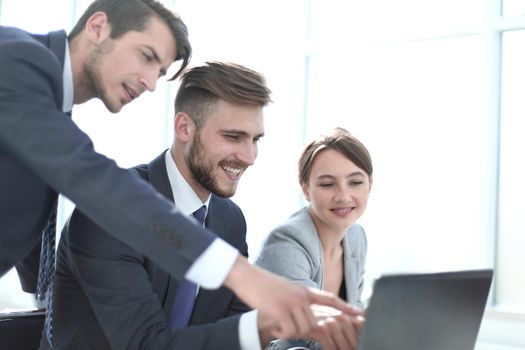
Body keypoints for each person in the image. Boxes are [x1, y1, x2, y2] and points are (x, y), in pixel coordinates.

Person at [0, 0, 355, 342]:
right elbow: (94, 181)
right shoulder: (18, 59)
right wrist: (242, 274)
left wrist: (40, 291)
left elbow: (26, 188)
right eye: (147, 56)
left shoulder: (46, 105)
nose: (152, 83)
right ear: (97, 27)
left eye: (161, 71)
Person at [46, 62, 355, 350]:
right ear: (184, 128)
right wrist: (266, 324)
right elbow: (145, 344)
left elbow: (223, 332)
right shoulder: (111, 210)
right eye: (233, 137)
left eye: (255, 139)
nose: (249, 157)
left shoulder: (230, 220)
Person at [256, 127, 373, 350]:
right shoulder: (287, 241)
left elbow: (353, 316)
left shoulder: (356, 237)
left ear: (370, 184)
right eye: (327, 184)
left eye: (355, 182)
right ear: (306, 189)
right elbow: (308, 336)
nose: (343, 196)